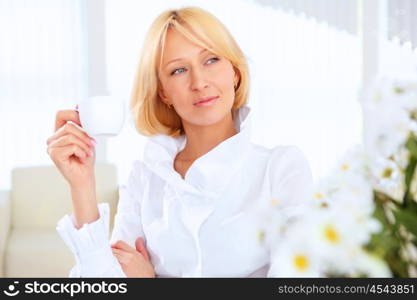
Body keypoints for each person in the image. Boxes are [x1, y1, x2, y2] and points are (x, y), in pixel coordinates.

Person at [46, 6, 313, 278]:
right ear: (164, 93)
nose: (199, 82)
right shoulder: (145, 177)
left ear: (234, 72)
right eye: (179, 70)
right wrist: (82, 185)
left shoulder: (281, 168)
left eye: (211, 60)